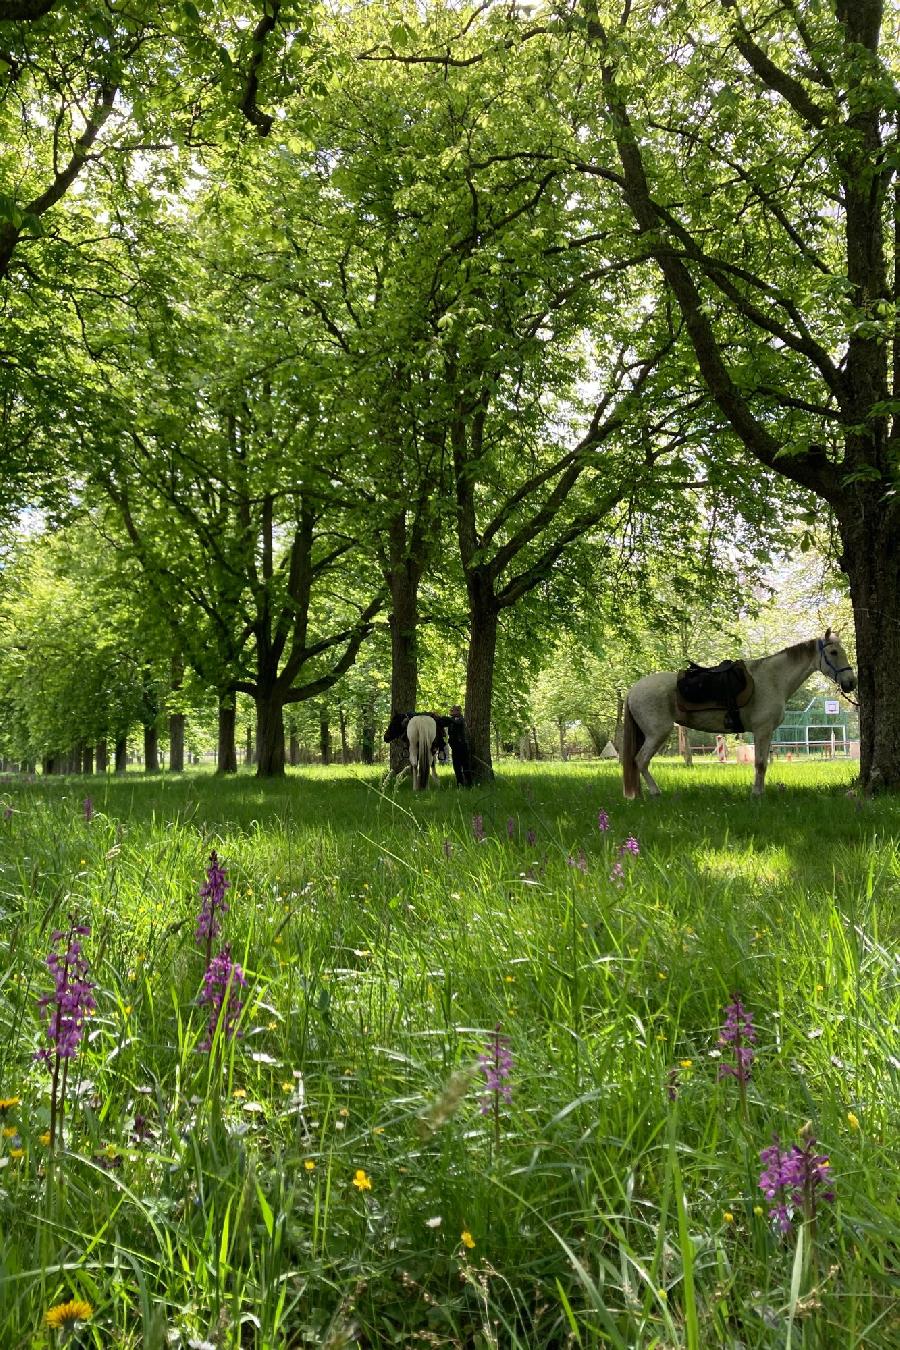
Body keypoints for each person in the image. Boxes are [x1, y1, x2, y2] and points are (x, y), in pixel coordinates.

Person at [446, 705, 474, 787]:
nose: (452, 712)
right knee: (457, 767)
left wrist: (449, 720)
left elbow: (457, 723)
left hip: (462, 747)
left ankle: (469, 784)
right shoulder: (452, 721)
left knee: (466, 766)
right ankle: (460, 784)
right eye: (452, 710)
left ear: (458, 711)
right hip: (455, 747)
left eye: (453, 711)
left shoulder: (461, 719)